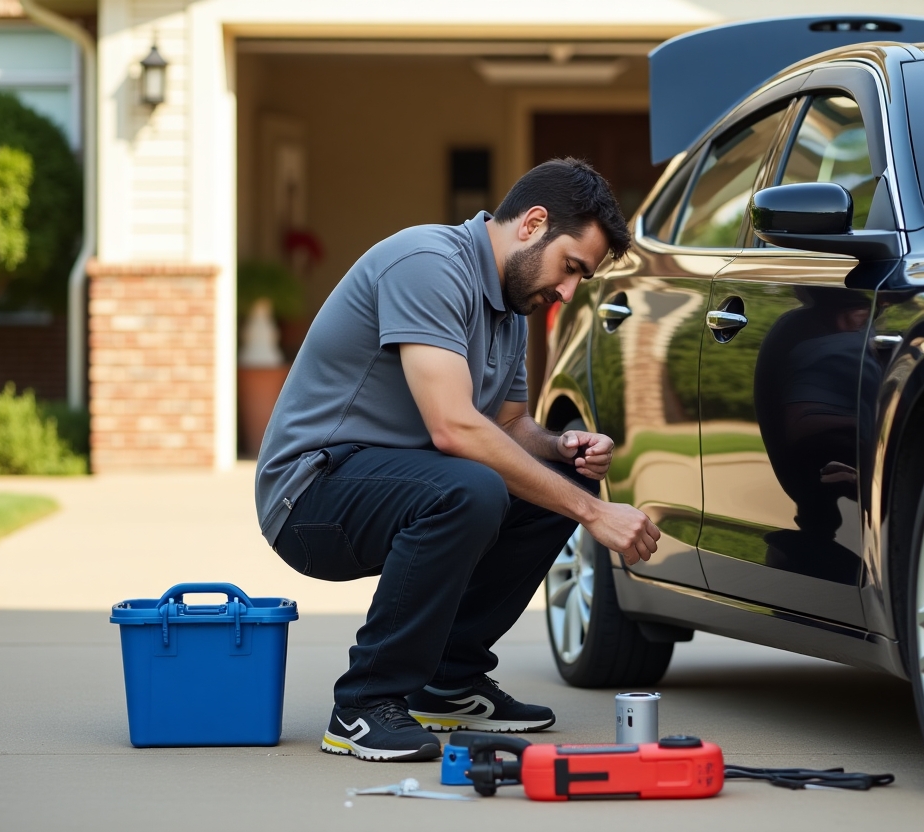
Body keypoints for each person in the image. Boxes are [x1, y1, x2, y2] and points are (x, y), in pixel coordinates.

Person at [254, 158, 661, 762]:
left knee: (549, 480)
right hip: (311, 495)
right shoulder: (429, 264)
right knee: (473, 489)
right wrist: (593, 514)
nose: (569, 290)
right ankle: (364, 705)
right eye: (571, 267)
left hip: (397, 485)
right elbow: (452, 427)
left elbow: (507, 426)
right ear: (533, 223)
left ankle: (449, 680)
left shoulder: (510, 306)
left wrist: (560, 450)